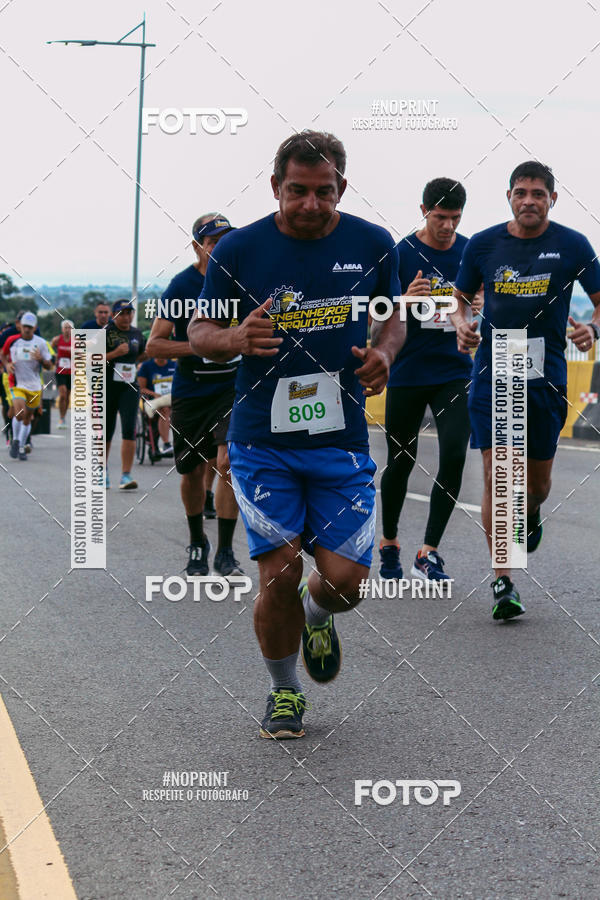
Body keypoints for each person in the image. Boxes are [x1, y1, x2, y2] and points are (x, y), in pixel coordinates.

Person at [188, 130, 405, 740]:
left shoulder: (372, 243)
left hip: (340, 439)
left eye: (324, 191)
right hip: (262, 440)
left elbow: (391, 324)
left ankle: (319, 615)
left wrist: (385, 355)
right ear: (275, 186)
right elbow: (203, 330)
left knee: (343, 585)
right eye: (297, 191)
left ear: (342, 185)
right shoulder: (239, 250)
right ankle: (284, 694)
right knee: (279, 571)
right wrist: (235, 338)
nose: (311, 203)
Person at [452, 160, 600, 620]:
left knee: (534, 487)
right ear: (509, 197)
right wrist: (462, 325)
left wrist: (592, 328)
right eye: (521, 192)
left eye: (539, 193)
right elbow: (459, 299)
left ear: (552, 199)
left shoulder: (573, 245)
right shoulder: (483, 245)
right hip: (494, 371)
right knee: (502, 479)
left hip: (546, 376)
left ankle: (530, 513)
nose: (529, 200)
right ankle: (504, 579)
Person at [379, 178, 480, 583]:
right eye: (441, 217)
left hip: (454, 371)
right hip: (406, 372)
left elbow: (482, 299)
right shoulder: (402, 253)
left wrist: (478, 307)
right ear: (424, 210)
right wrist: (405, 298)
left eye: (455, 219)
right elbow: (375, 313)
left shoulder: (470, 250)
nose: (448, 227)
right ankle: (388, 543)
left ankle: (429, 551)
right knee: (401, 461)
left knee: (455, 455)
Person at [146, 214, 243, 577]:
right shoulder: (182, 286)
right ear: (198, 246)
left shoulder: (241, 281)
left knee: (228, 463)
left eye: (226, 241)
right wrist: (206, 344)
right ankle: (197, 542)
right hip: (191, 391)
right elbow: (156, 345)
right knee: (191, 470)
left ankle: (226, 552)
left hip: (232, 388)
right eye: (214, 242)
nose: (221, 248)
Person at [105, 299, 147, 489]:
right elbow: (88, 358)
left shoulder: (136, 333)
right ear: (114, 315)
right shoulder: (105, 333)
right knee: (106, 430)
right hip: (107, 386)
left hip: (129, 386)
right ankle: (101, 472)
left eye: (129, 312)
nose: (127, 316)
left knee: (129, 429)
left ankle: (126, 476)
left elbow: (142, 353)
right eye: (122, 313)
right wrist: (114, 354)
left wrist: (137, 359)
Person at [0, 312, 53, 460]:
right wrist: (7, 365)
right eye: (25, 327)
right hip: (17, 383)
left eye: (30, 327)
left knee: (27, 418)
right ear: (20, 326)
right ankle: (16, 441)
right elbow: (3, 355)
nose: (27, 329)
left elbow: (49, 365)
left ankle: (22, 446)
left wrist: (41, 359)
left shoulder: (41, 343)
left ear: (35, 327)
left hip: (35, 385)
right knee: (20, 412)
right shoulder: (12, 341)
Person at [137, 355, 176, 455]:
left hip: (173, 400)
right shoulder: (146, 366)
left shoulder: (174, 365)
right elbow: (141, 389)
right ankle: (166, 444)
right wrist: (154, 394)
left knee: (168, 408)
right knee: (165, 409)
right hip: (153, 400)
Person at [51, 319, 73, 428]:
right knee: (63, 394)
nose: (68, 330)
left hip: (71, 371)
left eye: (70, 328)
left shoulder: (76, 340)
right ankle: (61, 418)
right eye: (66, 327)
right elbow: (49, 350)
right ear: (62, 329)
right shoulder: (57, 339)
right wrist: (54, 358)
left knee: (67, 395)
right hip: (60, 371)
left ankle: (63, 417)